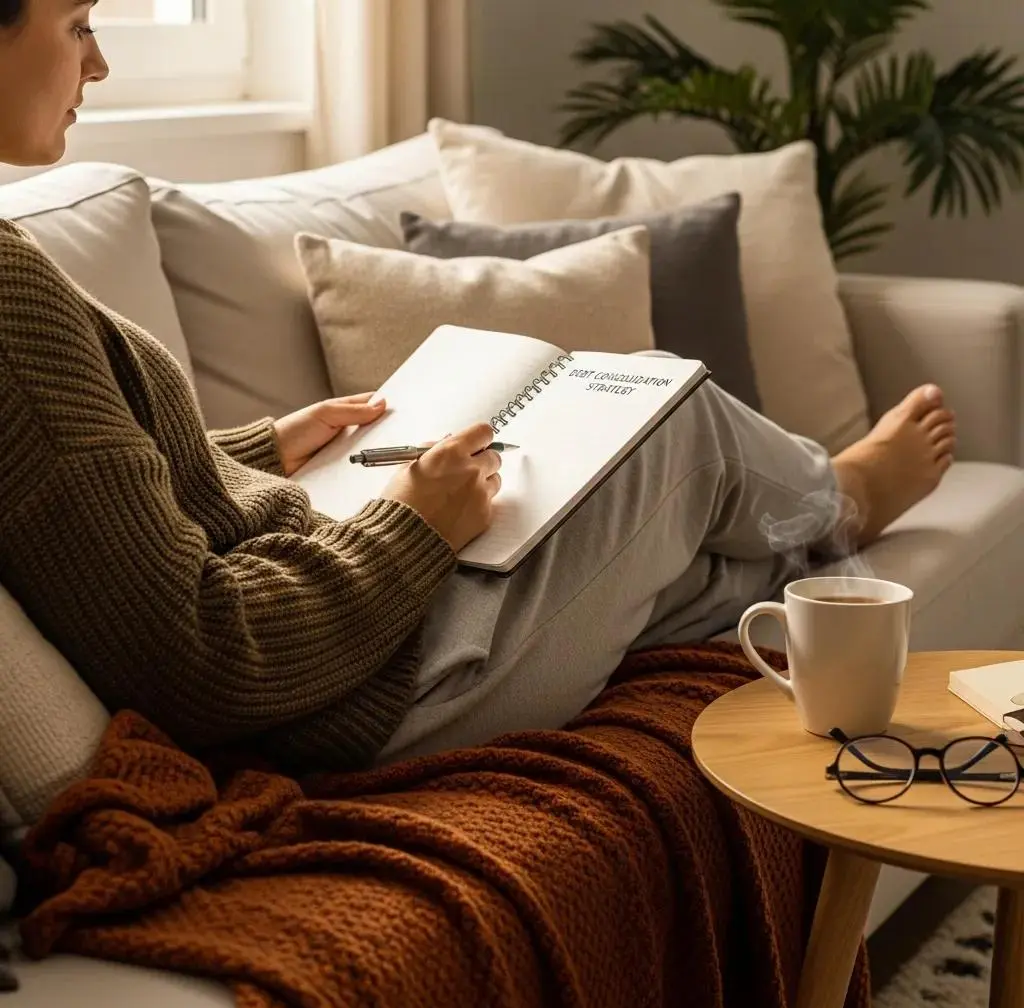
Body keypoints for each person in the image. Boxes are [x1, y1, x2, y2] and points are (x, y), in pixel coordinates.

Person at [0, 0, 956, 771]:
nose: (100, 63)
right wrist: (412, 526)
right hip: (353, 696)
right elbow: (201, 658)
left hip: (331, 644)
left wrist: (258, 450)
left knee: (674, 550)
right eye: (78, 25)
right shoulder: (7, 298)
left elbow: (92, 507)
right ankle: (842, 499)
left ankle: (800, 563)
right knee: (668, 407)